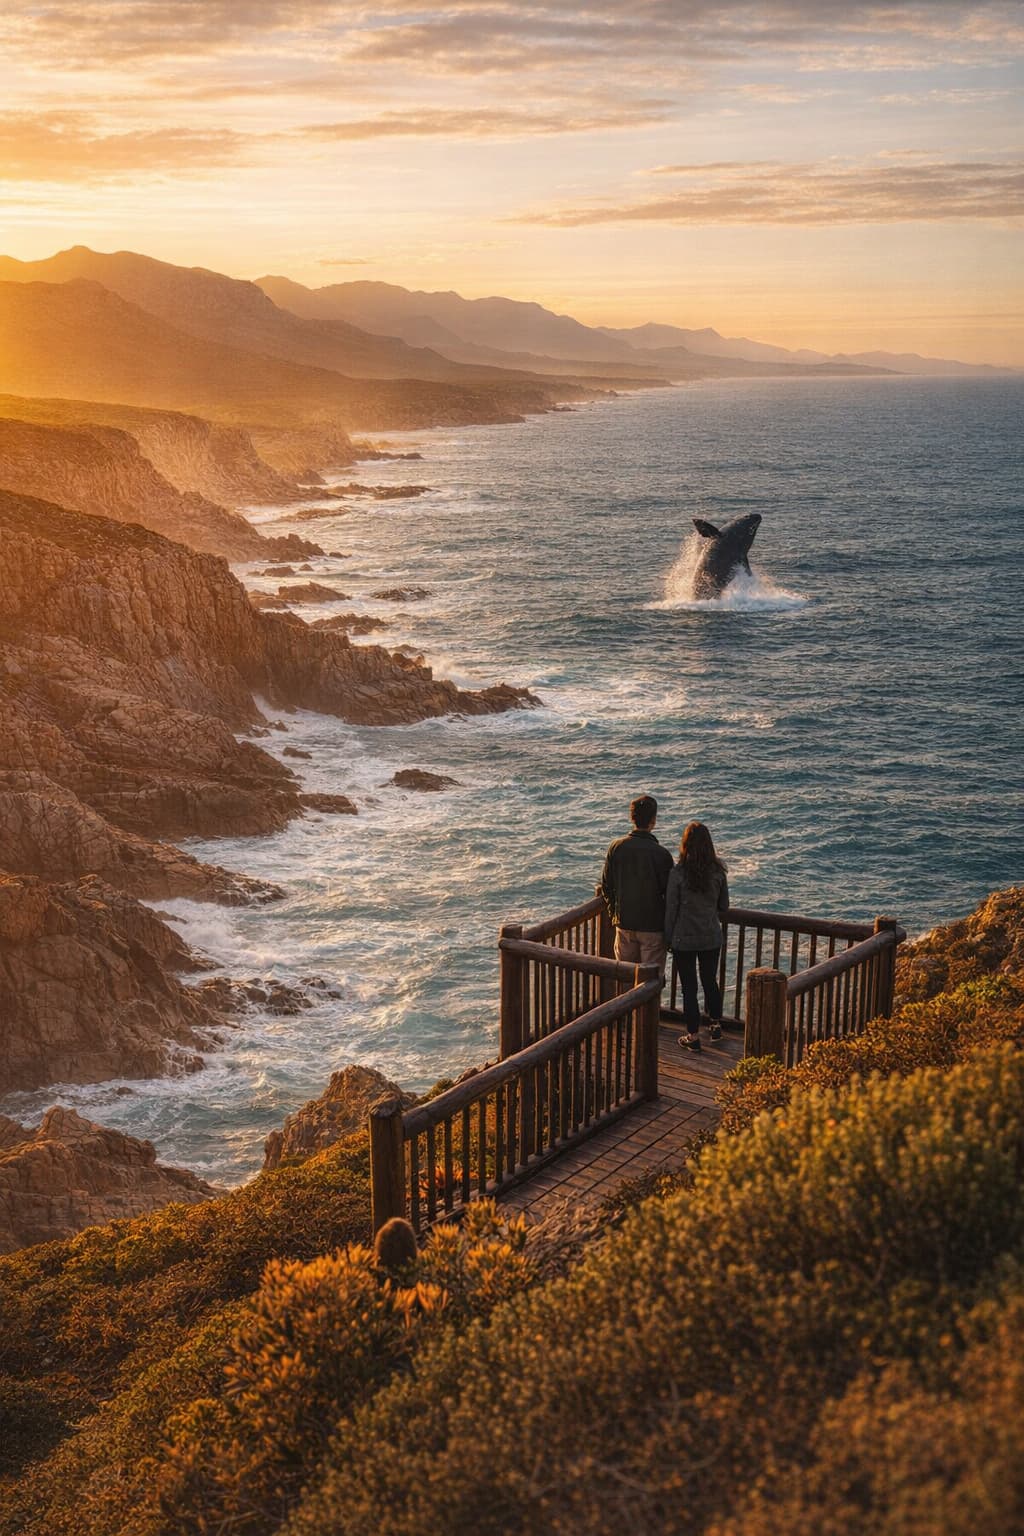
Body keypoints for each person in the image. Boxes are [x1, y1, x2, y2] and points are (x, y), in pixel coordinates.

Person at [664, 821, 729, 1051]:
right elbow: (724, 905)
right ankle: (715, 1025)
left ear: (685, 844)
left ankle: (692, 1037)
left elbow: (671, 910)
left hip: (684, 938)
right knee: (710, 981)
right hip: (711, 936)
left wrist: (668, 938)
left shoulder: (678, 873)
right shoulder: (718, 872)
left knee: (689, 987)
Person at [599, 794, 674, 974]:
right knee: (650, 981)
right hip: (652, 927)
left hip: (624, 923)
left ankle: (626, 1004)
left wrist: (614, 913)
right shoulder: (661, 854)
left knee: (625, 977)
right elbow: (671, 894)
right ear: (653, 820)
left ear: (632, 818)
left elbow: (606, 885)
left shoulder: (616, 847)